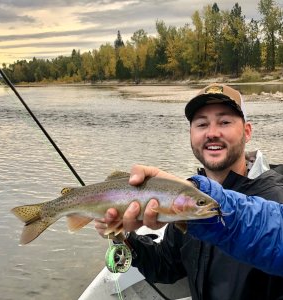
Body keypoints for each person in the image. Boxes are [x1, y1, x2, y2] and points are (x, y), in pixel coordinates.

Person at [95, 83, 283, 299]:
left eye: (224, 122)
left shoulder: (277, 196)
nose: (212, 133)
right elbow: (167, 266)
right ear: (191, 134)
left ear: (247, 131)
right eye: (202, 124)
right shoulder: (187, 200)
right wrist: (123, 236)